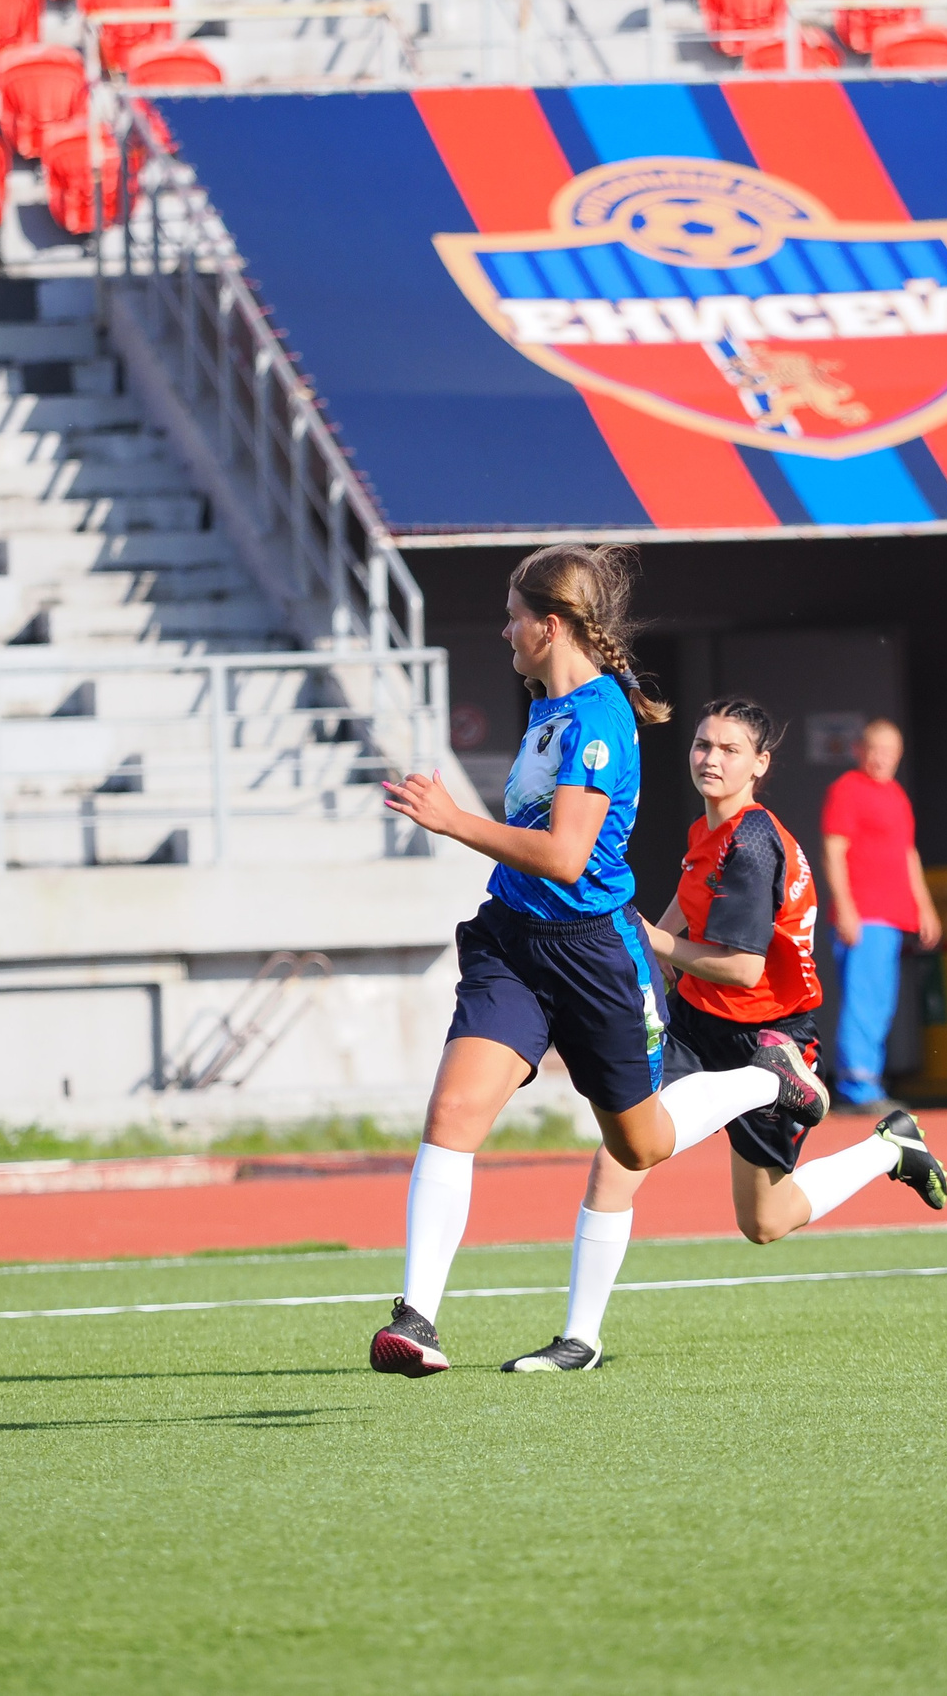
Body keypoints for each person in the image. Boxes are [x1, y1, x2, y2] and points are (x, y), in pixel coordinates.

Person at [370, 545, 832, 1378]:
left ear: (550, 626)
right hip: (513, 941)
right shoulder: (549, 705)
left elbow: (568, 855)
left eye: (514, 614)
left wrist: (451, 819)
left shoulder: (599, 717)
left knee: (641, 1143)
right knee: (453, 1112)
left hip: (593, 955)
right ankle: (417, 1319)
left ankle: (770, 1079)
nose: (504, 628)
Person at [499, 697, 947, 1373]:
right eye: (704, 744)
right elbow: (683, 909)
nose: (711, 758)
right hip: (695, 1026)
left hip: (769, 1038)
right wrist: (634, 951)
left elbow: (742, 968)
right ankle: (580, 1339)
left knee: (765, 1222)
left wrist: (649, 939)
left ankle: (873, 1140)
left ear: (760, 764)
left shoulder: (752, 843)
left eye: (730, 749)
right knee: (621, 1155)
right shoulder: (710, 831)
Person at [819, 718, 942, 1110]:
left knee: (880, 1001)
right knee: (865, 999)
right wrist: (847, 909)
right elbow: (833, 850)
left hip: (891, 916)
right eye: (876, 749)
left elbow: (909, 855)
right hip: (865, 915)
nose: (883, 758)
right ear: (860, 750)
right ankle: (858, 1087)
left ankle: (867, 1082)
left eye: (891, 752)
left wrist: (925, 908)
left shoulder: (897, 796)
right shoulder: (847, 790)